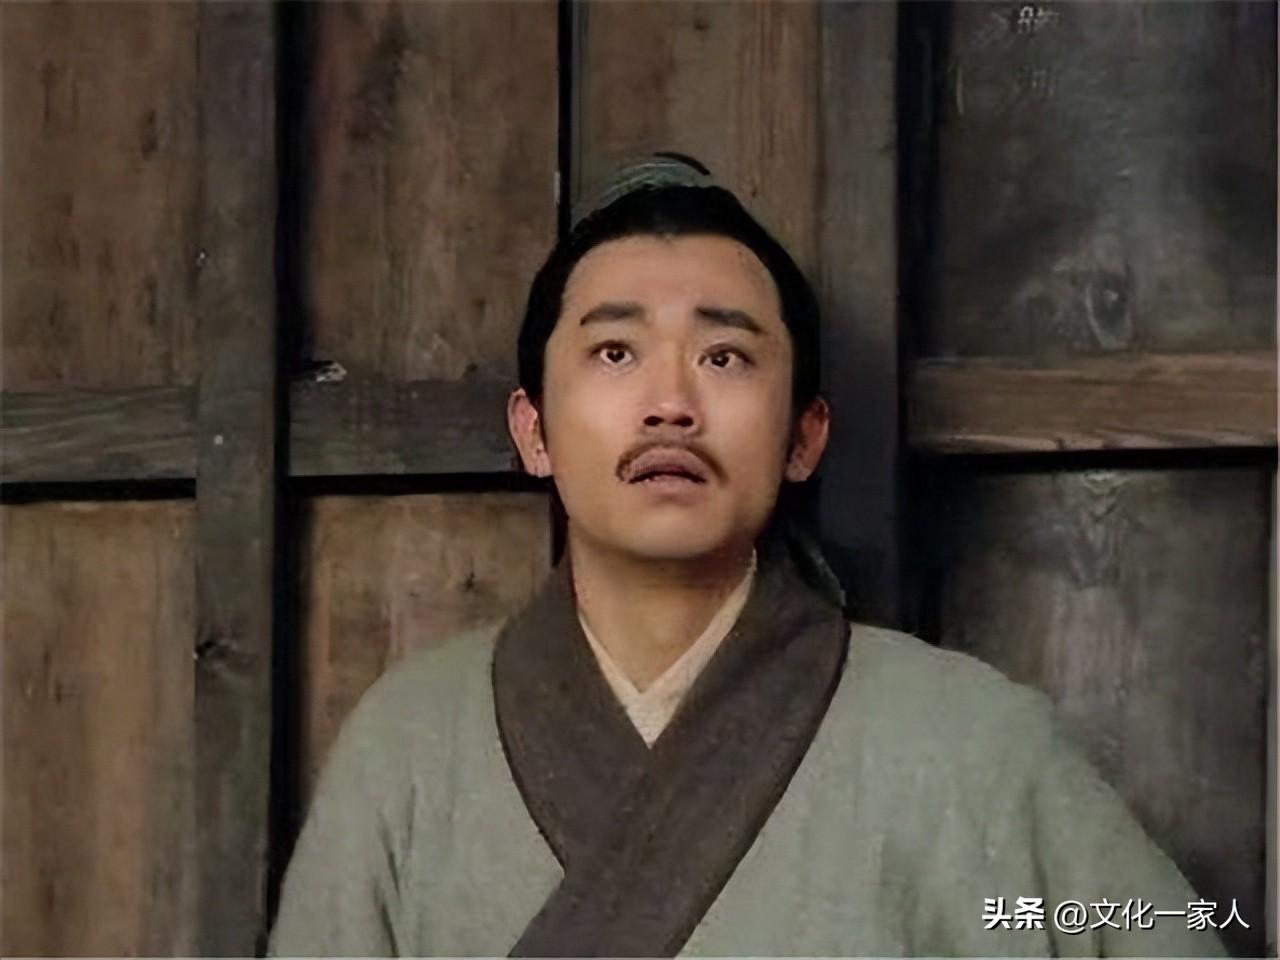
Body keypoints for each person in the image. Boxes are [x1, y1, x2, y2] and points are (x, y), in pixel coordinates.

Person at [269, 154, 1227, 957]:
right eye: (615, 353)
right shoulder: (408, 749)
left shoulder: (975, 742)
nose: (670, 404)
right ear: (533, 430)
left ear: (805, 435)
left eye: (724, 358)